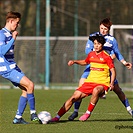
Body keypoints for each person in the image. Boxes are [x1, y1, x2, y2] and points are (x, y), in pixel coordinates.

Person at [68, 18, 133, 121]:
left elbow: (117, 53)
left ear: (109, 29)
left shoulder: (112, 40)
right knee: (80, 87)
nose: (103, 30)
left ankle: (130, 110)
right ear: (99, 26)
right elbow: (87, 51)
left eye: (105, 29)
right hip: (91, 67)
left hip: (105, 71)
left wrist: (124, 62)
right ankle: (75, 111)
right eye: (102, 28)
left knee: (117, 90)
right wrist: (103, 53)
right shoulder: (93, 37)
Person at [50, 34, 116, 122]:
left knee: (96, 90)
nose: (96, 46)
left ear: (102, 45)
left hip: (102, 83)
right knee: (73, 98)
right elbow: (85, 62)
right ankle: (57, 117)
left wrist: (111, 83)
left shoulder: (106, 57)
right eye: (95, 43)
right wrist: (74, 61)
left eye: (98, 44)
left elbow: (113, 71)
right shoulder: (91, 54)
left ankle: (87, 113)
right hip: (89, 82)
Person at [0, 11, 39, 124]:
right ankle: (33, 114)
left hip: (13, 67)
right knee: (30, 84)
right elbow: (1, 52)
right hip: (7, 68)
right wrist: (13, 38)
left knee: (26, 90)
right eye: (16, 23)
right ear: (11, 21)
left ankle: (18, 118)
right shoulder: (2, 34)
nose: (17, 25)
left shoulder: (8, 34)